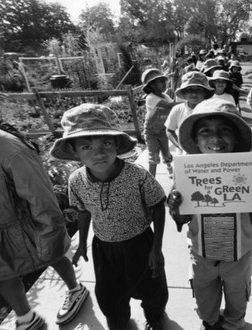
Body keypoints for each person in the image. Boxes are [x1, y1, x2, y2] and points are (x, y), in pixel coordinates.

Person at [0, 88, 88, 330]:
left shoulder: (8, 148)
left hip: (26, 222)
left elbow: (43, 199)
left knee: (54, 256)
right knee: (1, 274)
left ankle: (75, 288)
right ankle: (26, 318)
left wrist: (52, 237)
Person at [50, 104, 168, 330]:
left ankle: (154, 319)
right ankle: (119, 321)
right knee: (109, 296)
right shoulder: (76, 180)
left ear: (116, 144)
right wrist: (82, 244)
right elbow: (83, 211)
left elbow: (158, 205)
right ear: (75, 151)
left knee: (152, 289)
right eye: (87, 146)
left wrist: (156, 248)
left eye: (106, 143)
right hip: (104, 248)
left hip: (140, 243)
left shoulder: (136, 175)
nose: (99, 153)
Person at [167, 99, 252, 330]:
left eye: (224, 130)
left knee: (237, 296)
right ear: (195, 139)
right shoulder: (186, 174)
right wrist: (175, 208)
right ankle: (210, 321)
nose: (215, 138)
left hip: (239, 254)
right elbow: (181, 219)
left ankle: (233, 324)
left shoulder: (250, 173)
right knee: (205, 298)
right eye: (206, 132)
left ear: (235, 138)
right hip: (201, 252)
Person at [142, 68, 180, 177]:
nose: (164, 83)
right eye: (161, 81)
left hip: (163, 130)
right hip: (151, 132)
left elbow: (173, 109)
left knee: (166, 152)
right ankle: (151, 179)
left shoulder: (166, 96)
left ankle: (170, 172)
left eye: (165, 81)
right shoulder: (151, 98)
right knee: (153, 155)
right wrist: (186, 103)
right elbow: (168, 106)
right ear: (152, 85)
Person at [165, 71, 214, 155]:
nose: (194, 93)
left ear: (205, 93)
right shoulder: (177, 110)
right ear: (184, 93)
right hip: (185, 156)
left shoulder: (212, 110)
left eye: (199, 89)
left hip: (208, 152)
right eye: (190, 89)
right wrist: (180, 145)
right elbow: (169, 130)